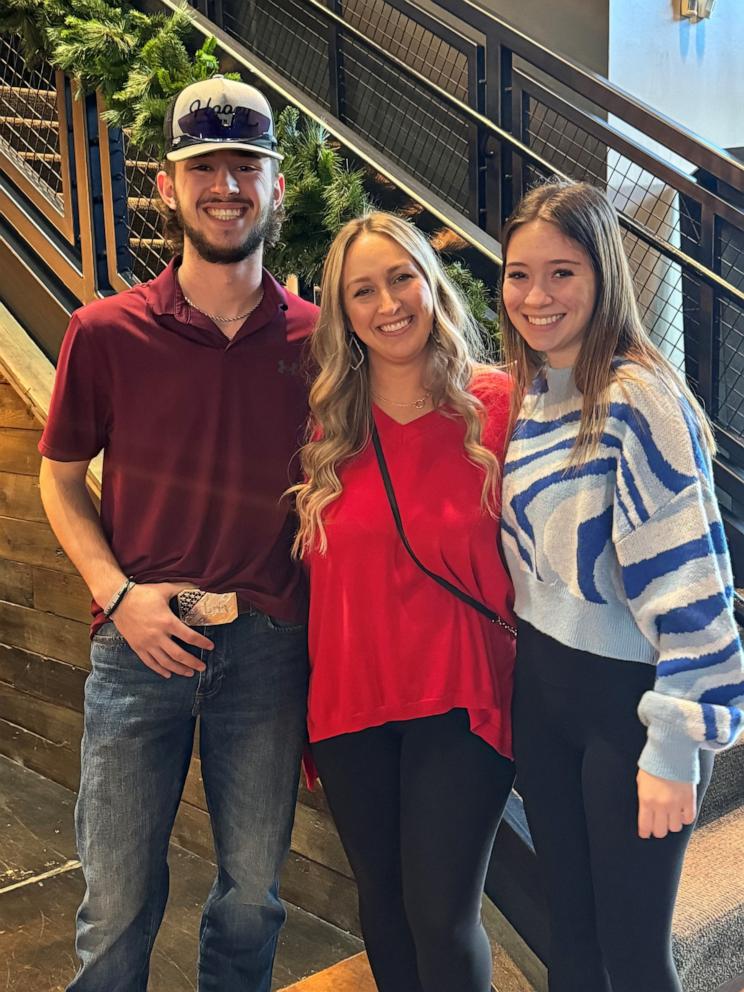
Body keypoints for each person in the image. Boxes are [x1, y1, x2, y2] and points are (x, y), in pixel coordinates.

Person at [38, 76, 318, 992]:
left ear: (277, 186)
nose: (226, 187)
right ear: (167, 184)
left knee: (253, 895)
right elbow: (61, 475)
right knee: (115, 901)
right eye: (205, 167)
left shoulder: (322, 340)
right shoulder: (105, 332)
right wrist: (118, 596)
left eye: (247, 166)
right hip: (136, 644)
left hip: (270, 647)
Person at [499, 179, 744, 992]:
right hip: (544, 697)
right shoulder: (534, 394)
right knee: (571, 944)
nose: (537, 296)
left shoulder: (637, 398)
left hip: (627, 710)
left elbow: (697, 587)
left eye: (562, 272)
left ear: (604, 274)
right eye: (519, 273)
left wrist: (677, 743)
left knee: (634, 959)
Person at [290, 212, 516, 992]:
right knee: (383, 908)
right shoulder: (328, 424)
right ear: (342, 310)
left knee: (439, 913)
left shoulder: (496, 406)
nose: (387, 302)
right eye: (363, 290)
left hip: (461, 695)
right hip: (351, 699)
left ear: (430, 283)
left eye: (401, 278)